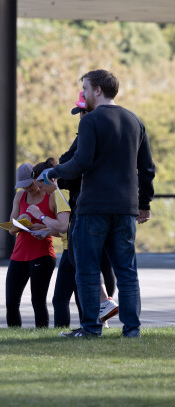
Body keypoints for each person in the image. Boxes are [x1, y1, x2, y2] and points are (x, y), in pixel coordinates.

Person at [45, 69, 155, 338]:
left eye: (85, 88)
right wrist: (144, 204)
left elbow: (81, 162)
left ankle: (91, 328)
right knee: (127, 272)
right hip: (125, 208)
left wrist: (54, 172)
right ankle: (132, 330)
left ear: (98, 90)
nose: (83, 94)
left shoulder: (90, 121)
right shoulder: (135, 121)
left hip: (93, 208)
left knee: (88, 270)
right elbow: (147, 169)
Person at [52, 94, 118, 329]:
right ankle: (106, 309)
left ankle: (100, 308)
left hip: (86, 207)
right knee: (107, 263)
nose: (80, 117)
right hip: (112, 206)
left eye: (81, 112)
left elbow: (69, 164)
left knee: (82, 260)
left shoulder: (86, 136)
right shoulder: (114, 134)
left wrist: (59, 173)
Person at [3, 162, 58, 328]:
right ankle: (13, 335)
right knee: (11, 301)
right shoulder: (20, 196)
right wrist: (20, 221)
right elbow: (11, 230)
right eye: (23, 185)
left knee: (38, 301)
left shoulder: (50, 196)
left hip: (42, 253)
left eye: (29, 184)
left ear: (36, 179)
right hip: (19, 254)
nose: (27, 188)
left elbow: (61, 228)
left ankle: (41, 335)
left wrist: (42, 227)